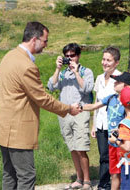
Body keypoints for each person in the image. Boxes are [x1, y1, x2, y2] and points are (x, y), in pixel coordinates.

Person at [0, 22, 80, 190]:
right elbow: (42, 98)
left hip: (2, 126)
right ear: (34, 39)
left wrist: (7, 108)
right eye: (45, 41)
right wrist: (68, 109)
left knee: (9, 173)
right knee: (26, 175)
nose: (46, 45)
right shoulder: (27, 66)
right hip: (18, 131)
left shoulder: (8, 56)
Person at [47, 43, 94, 190]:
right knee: (72, 148)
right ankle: (79, 178)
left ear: (78, 56)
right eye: (66, 56)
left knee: (81, 148)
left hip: (80, 112)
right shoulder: (62, 73)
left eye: (72, 56)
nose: (69, 59)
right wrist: (57, 68)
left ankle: (87, 181)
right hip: (65, 114)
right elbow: (51, 86)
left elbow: (87, 89)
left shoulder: (86, 71)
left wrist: (76, 72)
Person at [83, 71, 130, 190]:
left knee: (124, 172)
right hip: (112, 143)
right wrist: (79, 107)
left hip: (123, 144)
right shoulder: (111, 98)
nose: (115, 82)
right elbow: (93, 106)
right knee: (114, 173)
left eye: (118, 81)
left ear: (126, 86)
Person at [89, 46, 121, 190]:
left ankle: (109, 184)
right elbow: (97, 102)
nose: (105, 63)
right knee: (103, 155)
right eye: (103, 59)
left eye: (108, 60)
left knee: (113, 156)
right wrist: (94, 125)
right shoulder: (100, 78)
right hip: (101, 123)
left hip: (114, 124)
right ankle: (103, 184)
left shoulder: (120, 79)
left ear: (116, 62)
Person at [109, 86, 130, 190]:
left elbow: (127, 147)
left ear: (122, 102)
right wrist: (121, 132)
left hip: (129, 163)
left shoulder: (125, 124)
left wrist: (115, 141)